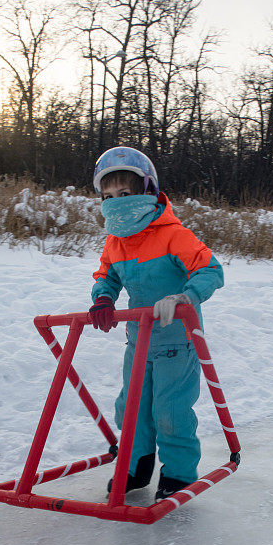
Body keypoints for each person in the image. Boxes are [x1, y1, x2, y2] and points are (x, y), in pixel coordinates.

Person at [89, 146, 224, 501]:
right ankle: (136, 467)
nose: (116, 202)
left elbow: (210, 268)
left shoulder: (173, 234)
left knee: (170, 411)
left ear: (148, 191)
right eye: (108, 196)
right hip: (139, 341)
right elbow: (107, 275)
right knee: (130, 407)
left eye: (125, 194)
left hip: (177, 341)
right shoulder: (115, 241)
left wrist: (185, 298)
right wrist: (103, 298)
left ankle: (178, 474)